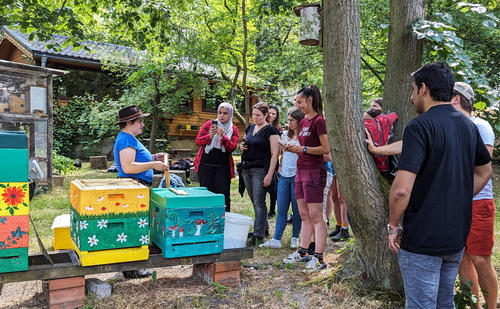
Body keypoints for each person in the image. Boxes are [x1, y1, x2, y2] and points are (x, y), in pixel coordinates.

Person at [387, 62, 492, 308]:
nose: (412, 97)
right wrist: (462, 197)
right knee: (445, 302)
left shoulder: (419, 126)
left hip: (422, 238)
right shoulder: (468, 125)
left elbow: (401, 189)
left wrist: (393, 225)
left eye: (413, 89)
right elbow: (485, 171)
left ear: (423, 89)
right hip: (455, 235)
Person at [452, 83, 497, 309]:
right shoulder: (450, 125)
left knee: (480, 260)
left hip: (478, 202)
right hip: (456, 205)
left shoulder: (480, 125)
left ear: (456, 99)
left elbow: (483, 165)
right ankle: (473, 306)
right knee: (462, 259)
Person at [113, 105, 169, 279]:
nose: (143, 125)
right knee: (133, 226)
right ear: (129, 123)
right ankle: (131, 268)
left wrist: (153, 157)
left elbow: (135, 160)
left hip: (138, 186)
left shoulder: (129, 138)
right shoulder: (126, 139)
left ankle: (132, 265)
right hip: (133, 186)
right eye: (140, 121)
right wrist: (153, 165)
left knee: (137, 225)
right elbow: (128, 166)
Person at [282, 85, 330, 271]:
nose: (298, 105)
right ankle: (303, 251)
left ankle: (319, 258)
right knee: (303, 214)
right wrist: (291, 146)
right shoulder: (304, 122)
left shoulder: (319, 121)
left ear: (310, 100)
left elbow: (325, 149)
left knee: (317, 215)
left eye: (300, 102)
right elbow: (303, 146)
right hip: (300, 170)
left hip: (314, 171)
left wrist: (302, 149)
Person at [259, 109, 304, 249]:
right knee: (282, 208)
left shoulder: (303, 137)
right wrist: (281, 164)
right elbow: (280, 153)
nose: (289, 123)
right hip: (285, 175)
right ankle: (276, 239)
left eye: (292, 120)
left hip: (298, 175)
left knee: (297, 210)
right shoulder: (284, 135)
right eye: (288, 120)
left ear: (299, 121)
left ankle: (295, 237)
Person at [240, 102, 280, 246]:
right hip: (246, 168)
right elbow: (245, 141)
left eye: (258, 115)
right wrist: (242, 146)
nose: (255, 117)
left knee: (259, 201)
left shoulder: (271, 131)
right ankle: (263, 228)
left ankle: (258, 235)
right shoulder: (250, 127)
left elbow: (275, 155)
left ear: (265, 115)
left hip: (260, 169)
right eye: (253, 114)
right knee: (253, 200)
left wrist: (270, 174)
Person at [194, 102, 239, 212]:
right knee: (206, 195)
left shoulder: (233, 129)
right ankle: (206, 220)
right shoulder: (209, 124)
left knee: (223, 195)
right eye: (220, 113)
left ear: (230, 115)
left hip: (222, 167)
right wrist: (209, 136)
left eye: (225, 113)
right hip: (206, 165)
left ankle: (224, 221)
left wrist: (223, 137)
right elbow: (198, 141)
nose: (222, 116)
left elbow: (232, 147)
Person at [266, 104, 281, 218]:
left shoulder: (278, 130)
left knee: (273, 186)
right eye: (269, 113)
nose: (271, 115)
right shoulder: (261, 126)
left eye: (273, 114)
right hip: (262, 159)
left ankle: (272, 209)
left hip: (273, 159)